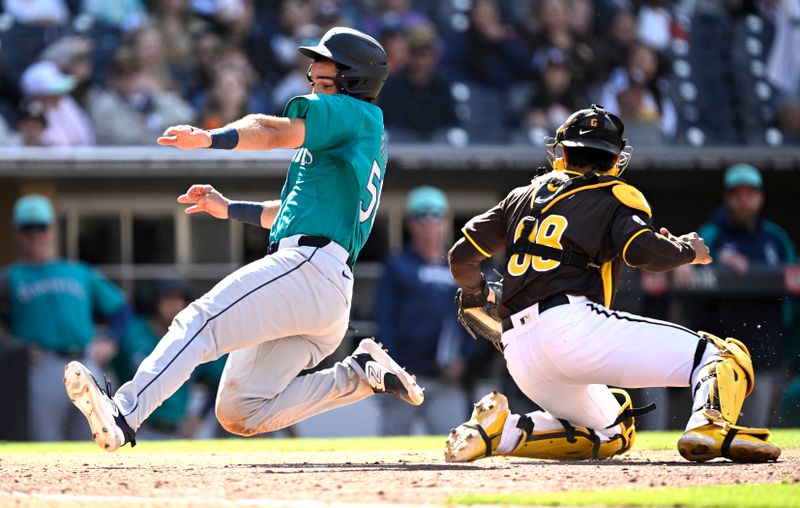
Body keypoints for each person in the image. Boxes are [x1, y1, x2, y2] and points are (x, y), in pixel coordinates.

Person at [65, 26, 424, 452]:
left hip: (308, 270)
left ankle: (124, 412)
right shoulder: (355, 139)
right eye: (314, 78)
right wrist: (230, 207)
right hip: (323, 286)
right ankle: (359, 375)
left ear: (354, 83)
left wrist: (211, 138)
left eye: (324, 79)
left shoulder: (353, 112)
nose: (313, 81)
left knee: (199, 322)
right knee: (240, 410)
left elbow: (271, 132)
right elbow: (290, 212)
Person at [444, 104, 781, 464]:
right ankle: (709, 423)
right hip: (571, 327)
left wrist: (478, 293)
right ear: (616, 158)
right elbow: (641, 252)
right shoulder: (614, 193)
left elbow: (460, 258)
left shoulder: (520, 196)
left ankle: (499, 432)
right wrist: (688, 250)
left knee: (613, 432)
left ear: (563, 151)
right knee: (722, 355)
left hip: (519, 352)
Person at [0, 195, 131, 441]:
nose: (35, 235)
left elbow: (121, 309)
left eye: (40, 227)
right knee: (42, 440)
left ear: (51, 230)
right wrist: (12, 346)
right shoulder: (11, 277)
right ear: (18, 233)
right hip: (42, 367)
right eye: (28, 229)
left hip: (85, 360)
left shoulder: (78, 271)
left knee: (99, 436)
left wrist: (111, 339)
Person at [685, 164, 797, 428]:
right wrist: (718, 260)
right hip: (721, 349)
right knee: (718, 425)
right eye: (737, 194)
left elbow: (792, 289)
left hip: (766, 348)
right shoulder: (713, 234)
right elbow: (688, 267)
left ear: (760, 197)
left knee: (755, 426)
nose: (744, 200)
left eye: (750, 193)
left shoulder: (775, 238)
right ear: (727, 197)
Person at [375, 186, 474, 435]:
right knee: (390, 449)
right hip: (404, 376)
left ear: (445, 221)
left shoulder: (458, 266)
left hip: (446, 378)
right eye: (422, 218)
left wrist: (464, 357)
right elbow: (384, 319)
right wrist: (392, 366)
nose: (429, 226)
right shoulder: (397, 266)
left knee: (455, 446)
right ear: (411, 224)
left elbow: (473, 319)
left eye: (436, 217)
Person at [112, 278, 226, 440]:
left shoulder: (192, 336)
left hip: (178, 430)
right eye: (166, 299)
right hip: (138, 428)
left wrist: (200, 416)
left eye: (177, 300)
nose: (172, 306)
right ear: (155, 302)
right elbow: (109, 372)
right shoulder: (133, 332)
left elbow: (219, 377)